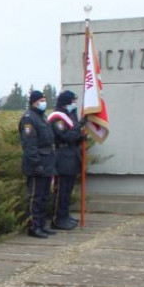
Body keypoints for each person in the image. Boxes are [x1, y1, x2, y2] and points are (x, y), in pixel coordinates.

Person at [20, 90, 57, 239]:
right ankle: (33, 226)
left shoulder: (42, 117)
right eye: (41, 100)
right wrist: (36, 164)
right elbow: (29, 144)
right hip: (36, 164)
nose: (44, 102)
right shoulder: (29, 119)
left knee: (44, 196)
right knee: (35, 197)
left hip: (47, 162)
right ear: (34, 102)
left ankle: (41, 224)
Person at [48, 90, 84, 230]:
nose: (74, 104)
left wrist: (80, 136)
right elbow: (66, 136)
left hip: (71, 155)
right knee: (61, 190)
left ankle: (65, 215)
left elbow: (74, 135)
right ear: (66, 102)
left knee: (68, 190)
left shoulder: (69, 115)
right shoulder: (57, 118)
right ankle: (58, 219)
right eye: (73, 101)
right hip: (62, 157)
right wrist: (79, 129)